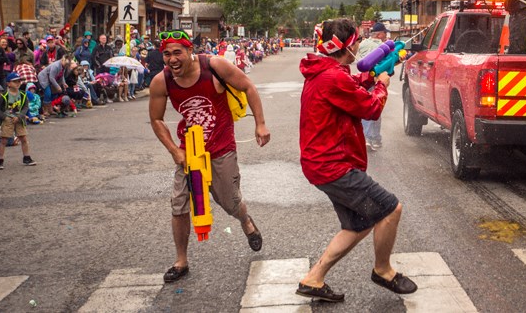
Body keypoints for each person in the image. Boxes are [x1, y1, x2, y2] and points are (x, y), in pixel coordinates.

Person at [296, 19, 417, 302]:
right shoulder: (332, 77)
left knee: (359, 223)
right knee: (390, 209)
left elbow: (351, 82)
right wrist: (383, 85)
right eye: (358, 42)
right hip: (333, 165)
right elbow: (371, 108)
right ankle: (383, 270)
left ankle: (313, 279)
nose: (360, 46)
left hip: (322, 164)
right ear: (348, 47)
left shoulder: (326, 71)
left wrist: (375, 73)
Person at [148, 29, 271, 283]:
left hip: (221, 148)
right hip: (189, 150)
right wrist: (175, 150)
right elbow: (156, 119)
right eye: (167, 54)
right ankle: (181, 260)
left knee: (229, 202)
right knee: (179, 203)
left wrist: (260, 124)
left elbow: (248, 86)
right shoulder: (162, 81)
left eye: (177, 52)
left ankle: (245, 220)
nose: (172, 59)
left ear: (190, 51)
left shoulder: (213, 66)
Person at [0, 72, 36, 168]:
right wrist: (3, 116)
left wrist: (20, 116)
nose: (18, 83)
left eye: (19, 81)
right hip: (8, 119)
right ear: (8, 83)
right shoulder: (4, 95)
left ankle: (27, 157)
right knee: (4, 140)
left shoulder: (22, 94)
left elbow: (25, 107)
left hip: (19, 119)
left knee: (24, 138)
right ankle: (0, 160)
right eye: (15, 82)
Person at [357, 23, 389, 150]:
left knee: (367, 107)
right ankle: (370, 138)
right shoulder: (382, 46)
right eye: (385, 34)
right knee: (375, 108)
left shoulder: (363, 44)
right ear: (379, 34)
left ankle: (372, 137)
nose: (386, 36)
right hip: (376, 80)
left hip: (364, 79)